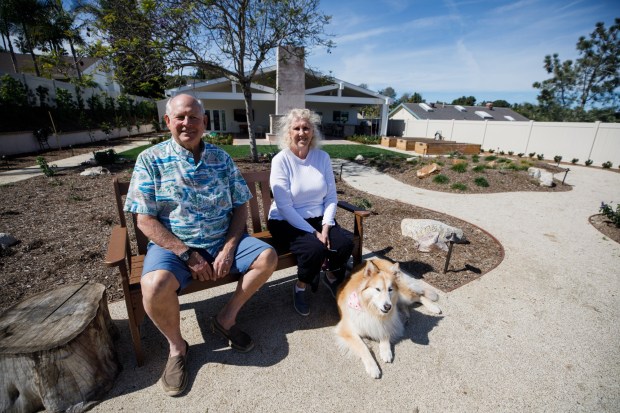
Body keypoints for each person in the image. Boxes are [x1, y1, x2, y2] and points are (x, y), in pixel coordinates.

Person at [124, 94, 278, 397]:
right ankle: (177, 347)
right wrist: (186, 253)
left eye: (194, 117)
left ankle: (226, 318)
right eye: (180, 117)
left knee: (268, 256)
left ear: (204, 123)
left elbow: (240, 207)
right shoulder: (150, 160)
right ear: (167, 121)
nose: (187, 123)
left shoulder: (221, 158)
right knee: (154, 286)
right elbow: (144, 220)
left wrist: (229, 247)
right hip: (175, 248)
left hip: (221, 239)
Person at [267, 108, 353, 316]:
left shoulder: (322, 157)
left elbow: (331, 197)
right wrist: (315, 234)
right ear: (288, 133)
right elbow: (285, 206)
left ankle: (330, 276)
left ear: (312, 131)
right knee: (314, 249)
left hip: (317, 217)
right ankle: (300, 286)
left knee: (344, 244)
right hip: (286, 219)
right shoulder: (281, 160)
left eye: (306, 128)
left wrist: (325, 226)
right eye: (296, 128)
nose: (301, 133)